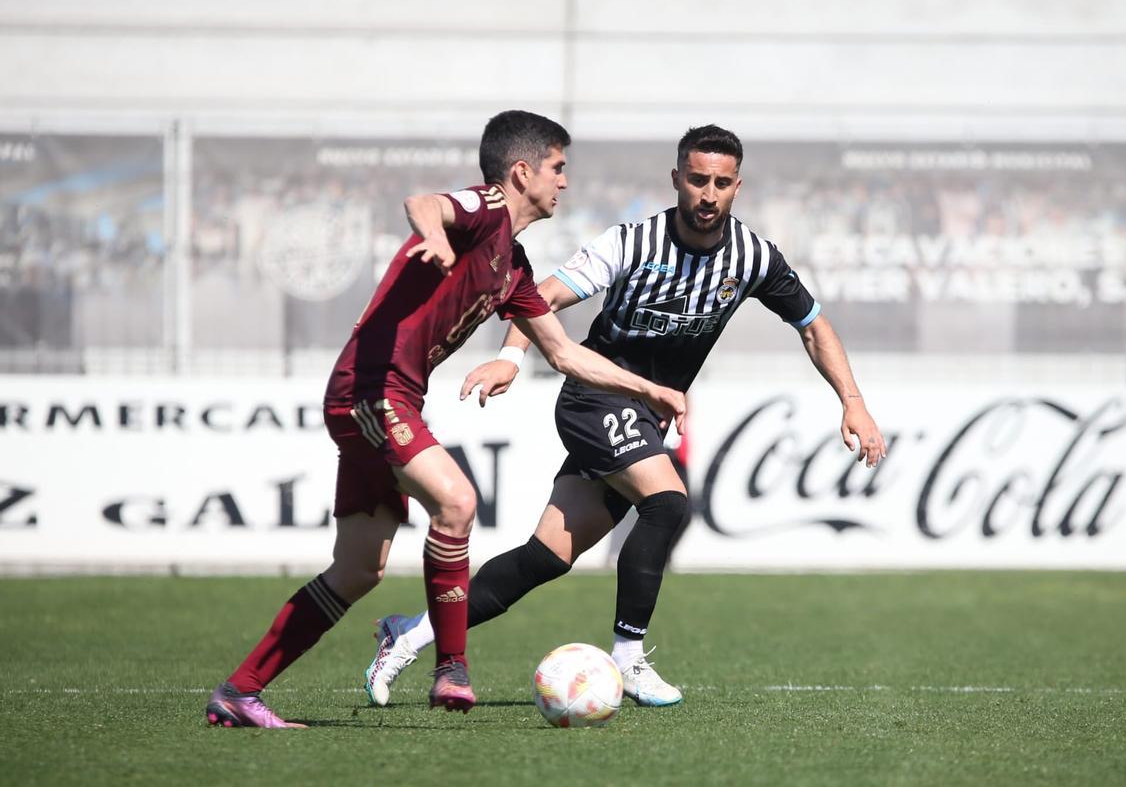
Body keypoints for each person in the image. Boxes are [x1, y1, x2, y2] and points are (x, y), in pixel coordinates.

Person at [363, 125, 886, 709]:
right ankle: (628, 659)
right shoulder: (631, 242)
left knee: (546, 557)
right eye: (696, 180)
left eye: (721, 183)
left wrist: (854, 402)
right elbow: (545, 295)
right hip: (596, 400)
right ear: (676, 180)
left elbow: (813, 324)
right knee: (667, 503)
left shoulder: (754, 257)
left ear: (738, 186)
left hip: (646, 418)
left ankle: (408, 634)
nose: (707, 194)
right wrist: (513, 356)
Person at [204, 110, 686, 728]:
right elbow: (423, 201)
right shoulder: (484, 209)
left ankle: (240, 692)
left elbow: (564, 353)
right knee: (456, 502)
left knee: (358, 569)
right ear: (522, 171)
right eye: (558, 168)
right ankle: (450, 668)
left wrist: (650, 389)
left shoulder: (512, 265)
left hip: (388, 399)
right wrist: (433, 234)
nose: (565, 182)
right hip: (372, 391)